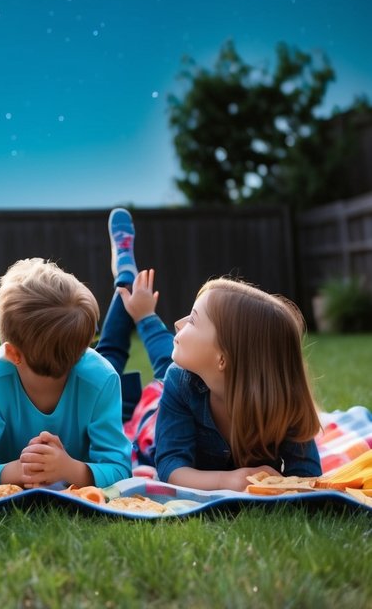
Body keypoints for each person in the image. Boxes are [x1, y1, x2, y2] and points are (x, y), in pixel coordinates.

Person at [98, 209, 323, 491]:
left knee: (168, 360)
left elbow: (307, 476)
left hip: (178, 385)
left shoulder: (285, 404)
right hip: (156, 413)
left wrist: (288, 485)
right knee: (106, 375)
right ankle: (128, 282)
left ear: (222, 359)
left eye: (192, 319)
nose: (178, 323)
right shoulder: (180, 381)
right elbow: (169, 469)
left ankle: (141, 308)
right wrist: (228, 480)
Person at [0, 255, 132, 489]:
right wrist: (20, 470)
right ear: (13, 355)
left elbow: (121, 469)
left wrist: (68, 469)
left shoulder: (102, 378)